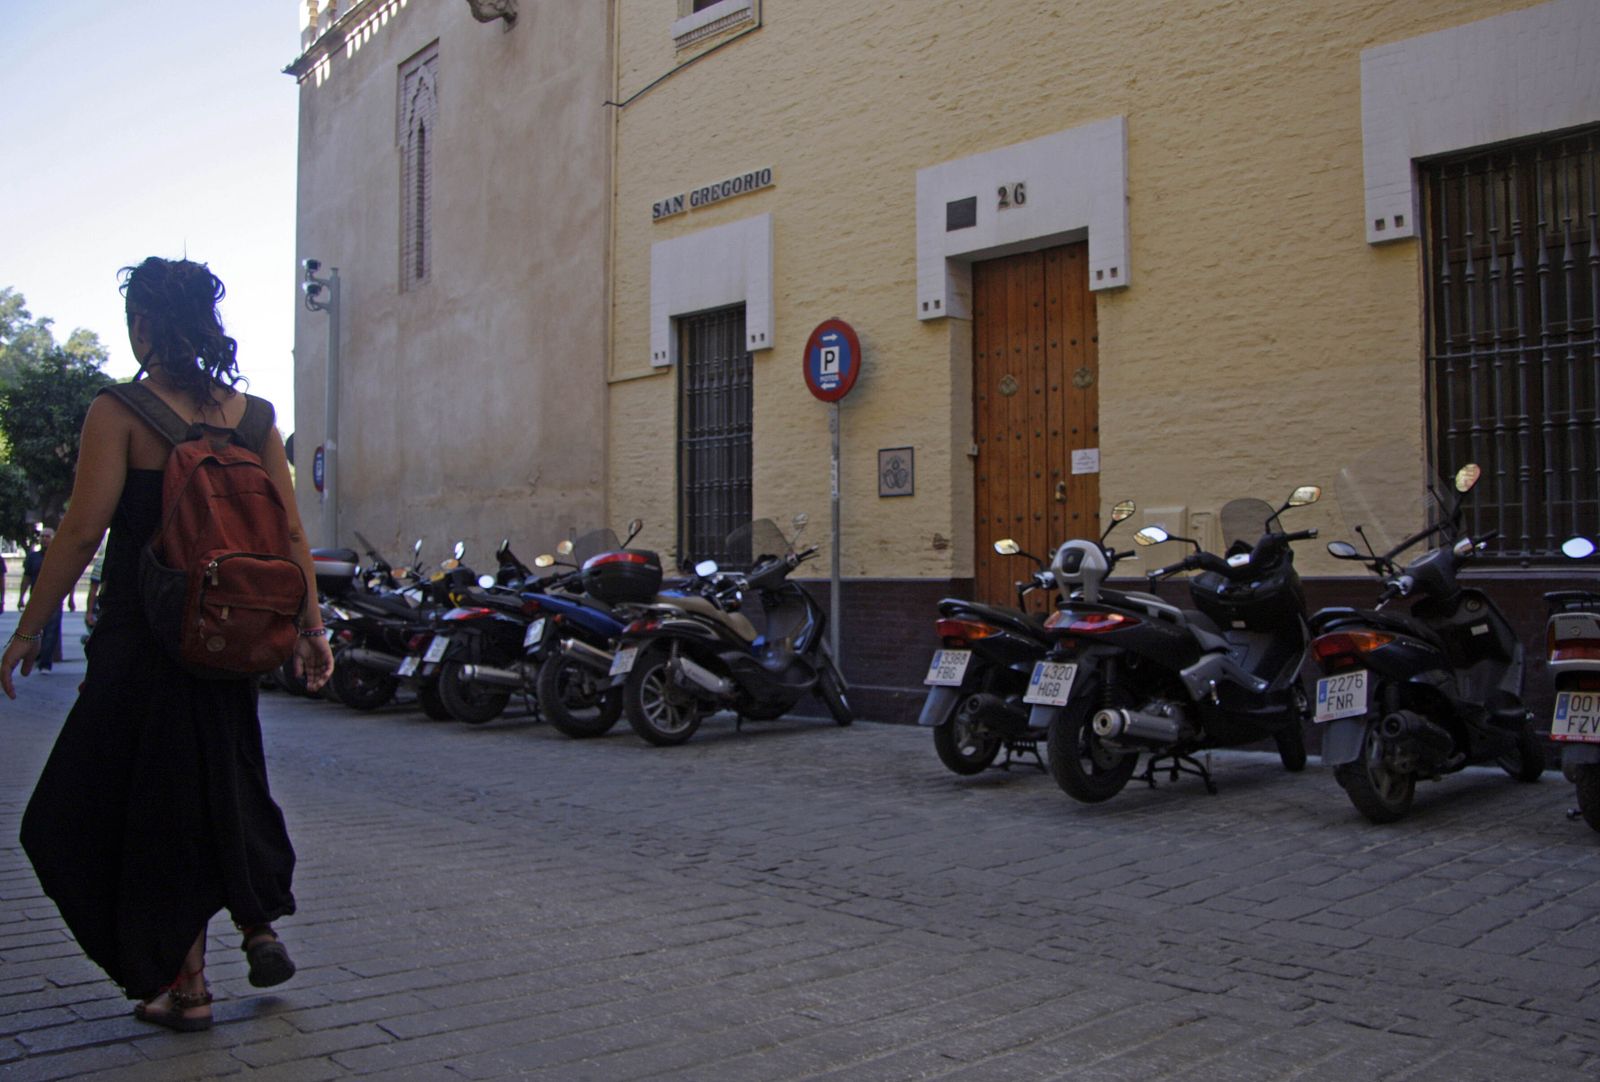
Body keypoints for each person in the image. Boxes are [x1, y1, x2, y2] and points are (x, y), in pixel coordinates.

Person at [3, 257, 333, 1033]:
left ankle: (186, 989)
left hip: (144, 640)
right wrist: (311, 629)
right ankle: (254, 921)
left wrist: (26, 629)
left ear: (145, 324)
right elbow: (290, 533)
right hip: (230, 637)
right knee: (220, 780)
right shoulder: (254, 418)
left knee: (109, 807)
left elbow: (81, 532)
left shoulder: (119, 412)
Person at [17, 528, 63, 670]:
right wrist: (21, 597)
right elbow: (26, 578)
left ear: (54, 538)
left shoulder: (60, 556)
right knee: (33, 630)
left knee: (50, 631)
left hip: (54, 599)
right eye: (42, 536)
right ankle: (35, 656)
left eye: (48, 536)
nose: (44, 539)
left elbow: (68, 578)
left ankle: (45, 663)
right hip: (35, 599)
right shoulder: (33, 557)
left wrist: (70, 598)